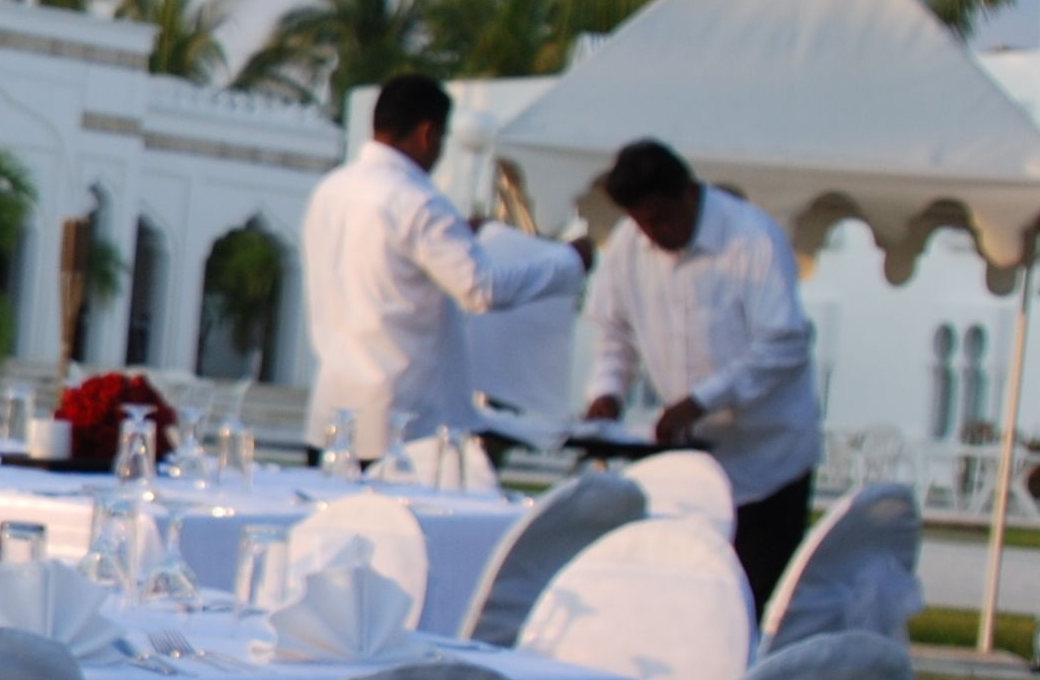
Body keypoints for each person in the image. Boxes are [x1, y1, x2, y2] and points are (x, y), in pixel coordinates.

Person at [581, 136, 823, 606]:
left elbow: (785, 344)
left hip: (766, 463)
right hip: (691, 467)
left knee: (746, 607)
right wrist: (608, 389)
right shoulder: (630, 247)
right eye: (643, 223)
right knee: (683, 602)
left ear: (689, 192)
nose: (655, 234)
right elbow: (612, 330)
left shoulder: (752, 239)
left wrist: (702, 400)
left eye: (663, 219)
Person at [301, 71, 587, 462]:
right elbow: (480, 288)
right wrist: (568, 262)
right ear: (426, 134)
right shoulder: (418, 202)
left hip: (333, 413)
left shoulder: (331, 190)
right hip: (403, 423)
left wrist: (460, 240)